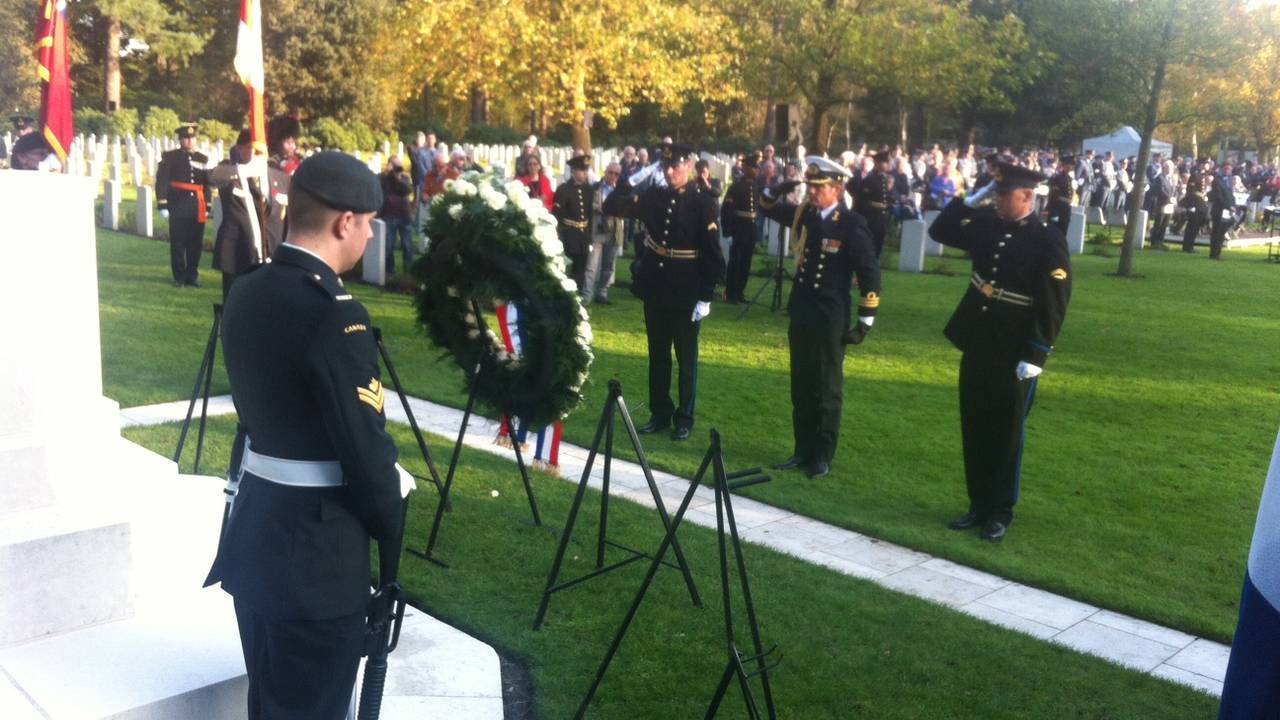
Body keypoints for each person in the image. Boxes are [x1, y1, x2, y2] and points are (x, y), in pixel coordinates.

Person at [204, 150, 412, 720]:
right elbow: (366, 453)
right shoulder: (336, 316)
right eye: (368, 224)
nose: (369, 235)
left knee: (271, 704)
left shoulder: (247, 290)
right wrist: (391, 513)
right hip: (316, 563)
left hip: (257, 538)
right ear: (345, 222)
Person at [928, 161, 1071, 541]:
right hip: (979, 339)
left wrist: (1036, 354)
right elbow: (939, 230)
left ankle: (999, 511)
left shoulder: (1047, 238)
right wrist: (969, 200)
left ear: (1026, 197)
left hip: (1014, 348)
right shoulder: (988, 224)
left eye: (1002, 195)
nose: (996, 201)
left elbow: (1054, 302)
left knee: (1006, 432)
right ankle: (977, 504)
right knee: (974, 424)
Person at [758, 157, 882, 479]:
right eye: (810, 187)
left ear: (837, 188)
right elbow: (768, 207)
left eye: (819, 187)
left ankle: (822, 455)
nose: (812, 193)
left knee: (827, 386)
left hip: (830, 316)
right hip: (803, 312)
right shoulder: (806, 215)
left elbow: (869, 271)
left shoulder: (850, 223)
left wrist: (866, 319)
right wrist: (774, 188)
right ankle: (802, 449)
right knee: (802, 383)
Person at [602, 142, 725, 441]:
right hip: (656, 286)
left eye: (676, 166)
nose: (671, 171)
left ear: (689, 166)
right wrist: (633, 177)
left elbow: (712, 253)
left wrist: (706, 295)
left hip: (686, 288)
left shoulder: (703, 201)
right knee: (658, 354)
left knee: (686, 358)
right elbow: (612, 205)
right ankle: (660, 412)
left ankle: (684, 417)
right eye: (666, 166)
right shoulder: (655, 196)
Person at [209, 130, 269, 298]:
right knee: (232, 295)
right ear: (240, 148)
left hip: (261, 244)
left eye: (256, 149)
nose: (252, 153)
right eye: (249, 148)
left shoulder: (266, 173)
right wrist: (244, 170)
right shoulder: (230, 168)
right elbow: (213, 177)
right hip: (235, 244)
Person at [155, 123, 214, 288]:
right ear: (180, 139)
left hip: (197, 206)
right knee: (178, 243)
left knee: (195, 244)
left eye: (192, 137)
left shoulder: (203, 158)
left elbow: (207, 184)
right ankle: (179, 276)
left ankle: (192, 276)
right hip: (178, 205)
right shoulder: (170, 157)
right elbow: (162, 181)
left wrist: (208, 206)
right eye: (186, 138)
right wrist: (163, 205)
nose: (189, 141)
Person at [720, 151, 761, 304]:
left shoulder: (756, 186)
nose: (757, 170)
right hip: (738, 228)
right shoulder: (736, 187)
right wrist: (728, 232)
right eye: (754, 168)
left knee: (746, 263)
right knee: (735, 262)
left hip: (750, 229)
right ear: (746, 168)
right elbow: (727, 210)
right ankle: (731, 293)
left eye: (757, 168)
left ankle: (740, 291)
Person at [583, 162, 625, 305]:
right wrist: (600, 208)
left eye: (616, 174)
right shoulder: (596, 187)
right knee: (591, 266)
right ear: (605, 172)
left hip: (614, 232)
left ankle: (602, 293)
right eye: (610, 172)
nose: (613, 176)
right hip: (598, 230)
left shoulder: (621, 191)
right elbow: (591, 206)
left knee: (608, 266)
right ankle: (587, 296)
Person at [552, 155, 594, 290]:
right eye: (582, 170)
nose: (585, 173)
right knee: (569, 267)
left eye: (586, 170)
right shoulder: (564, 189)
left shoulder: (589, 190)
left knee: (581, 267)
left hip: (583, 236)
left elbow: (590, 214)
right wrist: (561, 235)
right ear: (573, 171)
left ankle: (579, 292)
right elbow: (557, 215)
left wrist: (589, 236)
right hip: (569, 234)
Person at [850, 149, 893, 257]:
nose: (887, 164)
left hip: (881, 217)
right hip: (871, 217)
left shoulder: (884, 179)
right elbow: (861, 200)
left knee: (878, 245)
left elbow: (886, 199)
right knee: (868, 245)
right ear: (877, 163)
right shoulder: (869, 180)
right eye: (885, 162)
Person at [378, 156, 415, 275]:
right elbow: (377, 185)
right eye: (395, 165)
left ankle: (409, 271)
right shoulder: (383, 178)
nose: (398, 168)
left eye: (399, 165)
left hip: (404, 216)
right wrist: (387, 173)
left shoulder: (404, 177)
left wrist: (398, 178)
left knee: (407, 245)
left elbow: (408, 190)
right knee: (388, 246)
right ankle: (390, 271)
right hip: (388, 215)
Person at [1209, 161, 1236, 260]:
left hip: (1227, 211)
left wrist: (1233, 205)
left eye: (1229, 169)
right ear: (1222, 169)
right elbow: (1219, 197)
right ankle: (1214, 253)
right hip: (1219, 210)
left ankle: (1218, 252)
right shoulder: (1217, 181)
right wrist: (1228, 206)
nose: (1227, 170)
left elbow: (1231, 195)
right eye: (1225, 168)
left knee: (1222, 232)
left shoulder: (1229, 180)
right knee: (1216, 232)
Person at [1181, 163, 1209, 253]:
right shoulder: (1195, 175)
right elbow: (1190, 190)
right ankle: (1187, 246)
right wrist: (1191, 204)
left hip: (1200, 202)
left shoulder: (1202, 175)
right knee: (1192, 226)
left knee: (1196, 226)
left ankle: (1190, 245)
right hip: (1195, 203)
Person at [1148, 160, 1177, 248]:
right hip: (1162, 203)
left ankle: (1160, 240)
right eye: (1168, 167)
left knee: (1165, 224)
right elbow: (1161, 190)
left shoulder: (1171, 179)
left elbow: (1174, 190)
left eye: (1171, 168)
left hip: (1170, 204)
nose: (1170, 169)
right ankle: (1154, 242)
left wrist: (1175, 197)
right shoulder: (1160, 178)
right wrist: (1169, 198)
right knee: (1159, 223)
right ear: (1164, 168)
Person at [1045, 155, 1075, 234]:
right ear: (1064, 165)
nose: (1071, 167)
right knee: (1054, 229)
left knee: (1064, 228)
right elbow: (1053, 195)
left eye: (1072, 165)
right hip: (1057, 207)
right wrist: (1050, 209)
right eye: (1070, 165)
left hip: (1066, 207)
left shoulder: (1070, 178)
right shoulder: (1057, 178)